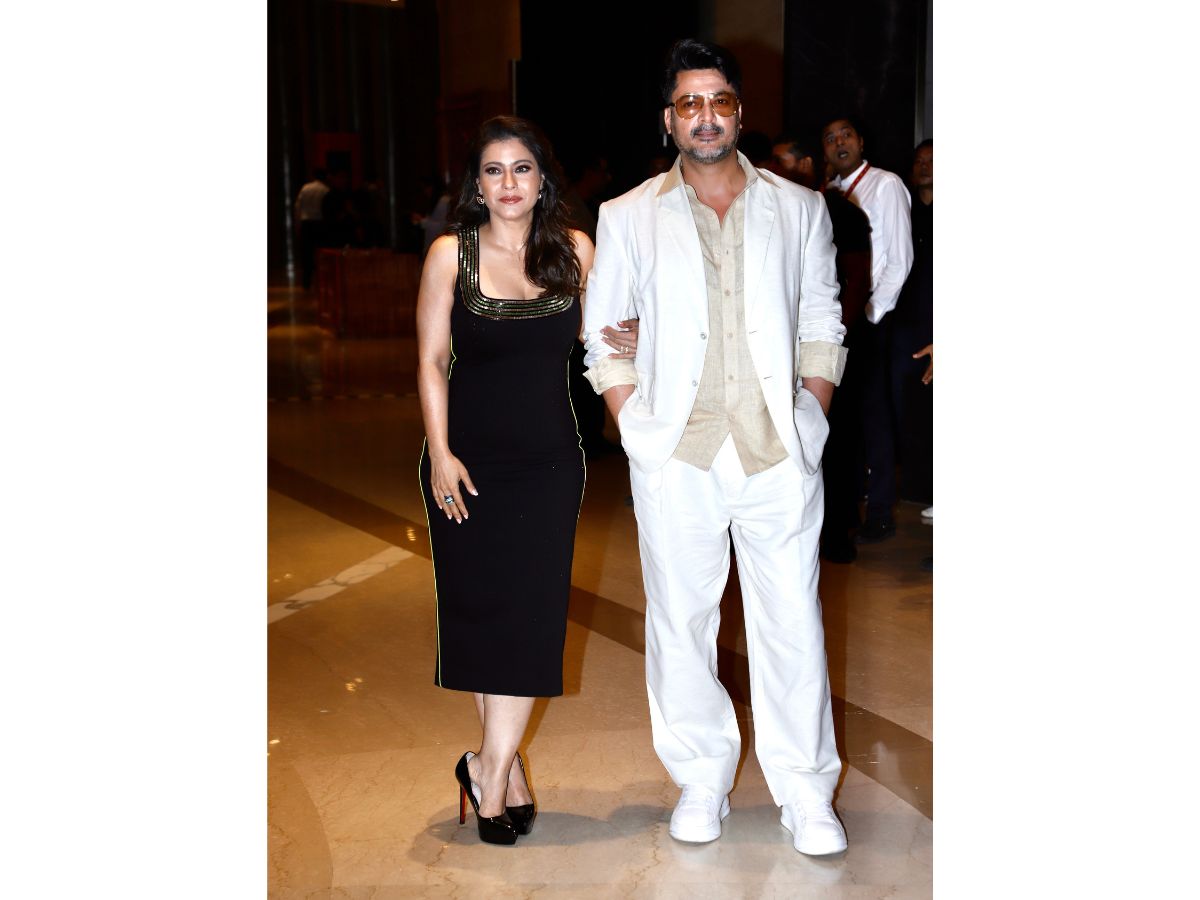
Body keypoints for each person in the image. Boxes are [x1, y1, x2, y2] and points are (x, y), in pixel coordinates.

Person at [582, 39, 849, 856]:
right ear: (668, 119)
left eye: (720, 101)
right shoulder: (628, 215)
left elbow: (822, 321)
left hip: (777, 451)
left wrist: (811, 413)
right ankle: (701, 779)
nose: (706, 116)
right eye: (690, 103)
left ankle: (807, 792)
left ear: (739, 112)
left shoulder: (799, 209)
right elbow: (604, 337)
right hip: (678, 453)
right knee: (681, 622)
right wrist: (634, 425)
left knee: (792, 622)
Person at [416, 116, 631, 845]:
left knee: (530, 619)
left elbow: (603, 338)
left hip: (549, 463)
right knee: (483, 617)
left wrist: (634, 334)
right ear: (476, 185)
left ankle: (489, 771)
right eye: (494, 170)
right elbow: (429, 360)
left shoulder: (576, 250)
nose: (509, 183)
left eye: (522, 169)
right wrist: (440, 452)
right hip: (467, 461)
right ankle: (497, 774)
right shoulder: (451, 255)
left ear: (543, 179)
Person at [823, 117, 913, 544]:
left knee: (874, 415)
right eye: (830, 138)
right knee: (845, 419)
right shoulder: (826, 192)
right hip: (836, 320)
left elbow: (900, 258)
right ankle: (849, 504)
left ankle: (879, 510)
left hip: (872, 317)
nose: (839, 142)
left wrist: (871, 314)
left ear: (861, 141)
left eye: (846, 135)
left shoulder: (886, 184)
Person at [891, 140, 933, 512]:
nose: (924, 166)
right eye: (919, 160)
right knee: (909, 410)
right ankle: (919, 492)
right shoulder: (905, 209)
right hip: (905, 323)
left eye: (932, 160)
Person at [294, 169, 328, 289]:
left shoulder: (305, 188)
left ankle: (306, 281)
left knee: (306, 253)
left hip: (306, 223)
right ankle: (321, 280)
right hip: (319, 223)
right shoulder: (325, 189)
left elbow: (298, 206)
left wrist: (298, 223)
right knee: (321, 252)